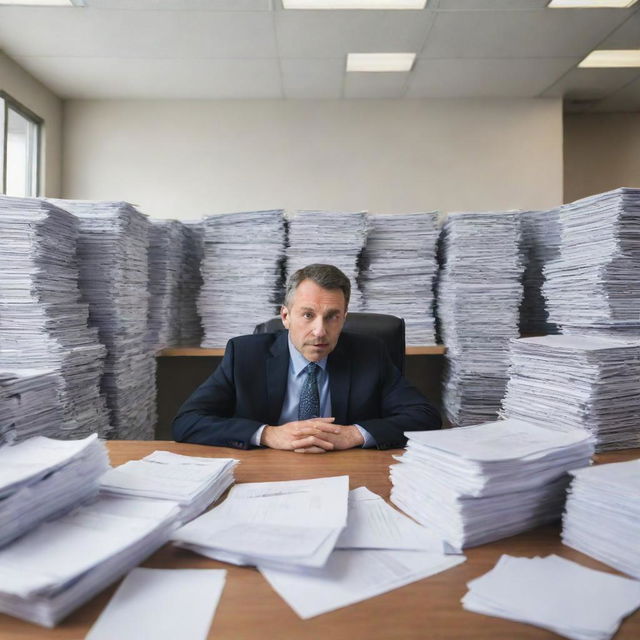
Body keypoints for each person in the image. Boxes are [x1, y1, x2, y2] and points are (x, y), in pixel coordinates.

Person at [172, 263, 441, 452]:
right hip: (266, 471)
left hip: (346, 471)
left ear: (344, 318)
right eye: (308, 315)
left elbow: (425, 417)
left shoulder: (370, 354)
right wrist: (268, 434)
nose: (320, 331)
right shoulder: (244, 355)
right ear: (286, 317)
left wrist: (354, 434)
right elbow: (187, 422)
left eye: (332, 316)